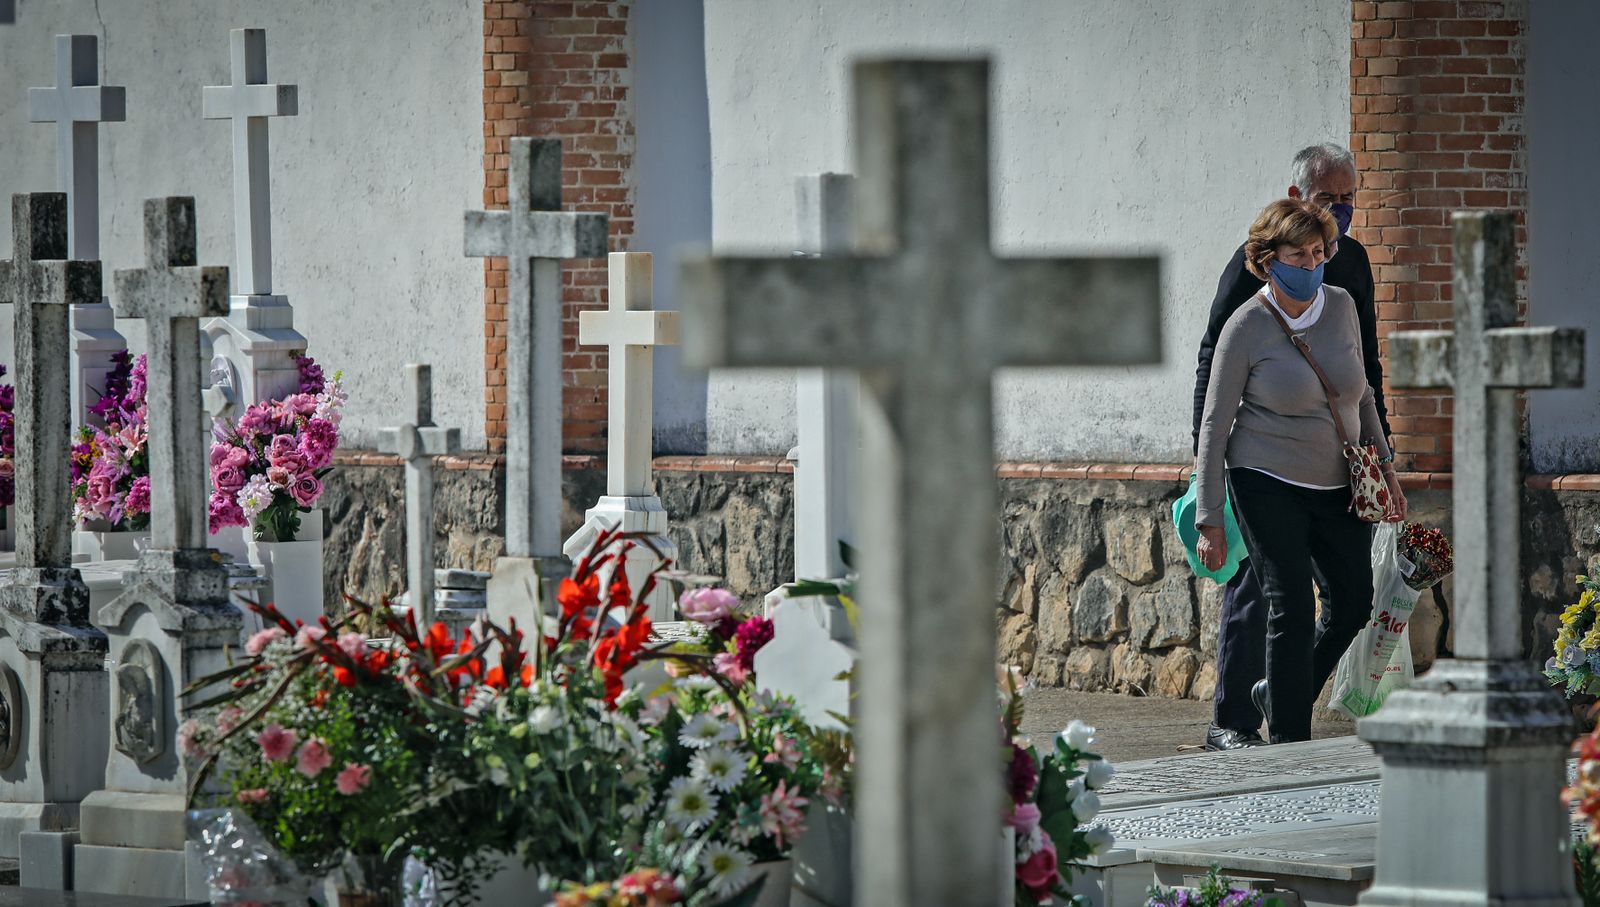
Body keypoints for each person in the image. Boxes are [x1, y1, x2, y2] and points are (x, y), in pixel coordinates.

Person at [1192, 144, 1392, 751]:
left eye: (1352, 199)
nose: (1345, 212)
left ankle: (1275, 698)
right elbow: (1216, 367)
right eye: (1333, 198)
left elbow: (1364, 371)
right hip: (1262, 467)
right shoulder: (1249, 290)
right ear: (1299, 195)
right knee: (1275, 598)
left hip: (1338, 465)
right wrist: (1209, 484)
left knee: (1350, 598)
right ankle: (1244, 727)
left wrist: (1381, 461)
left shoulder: (1350, 270)